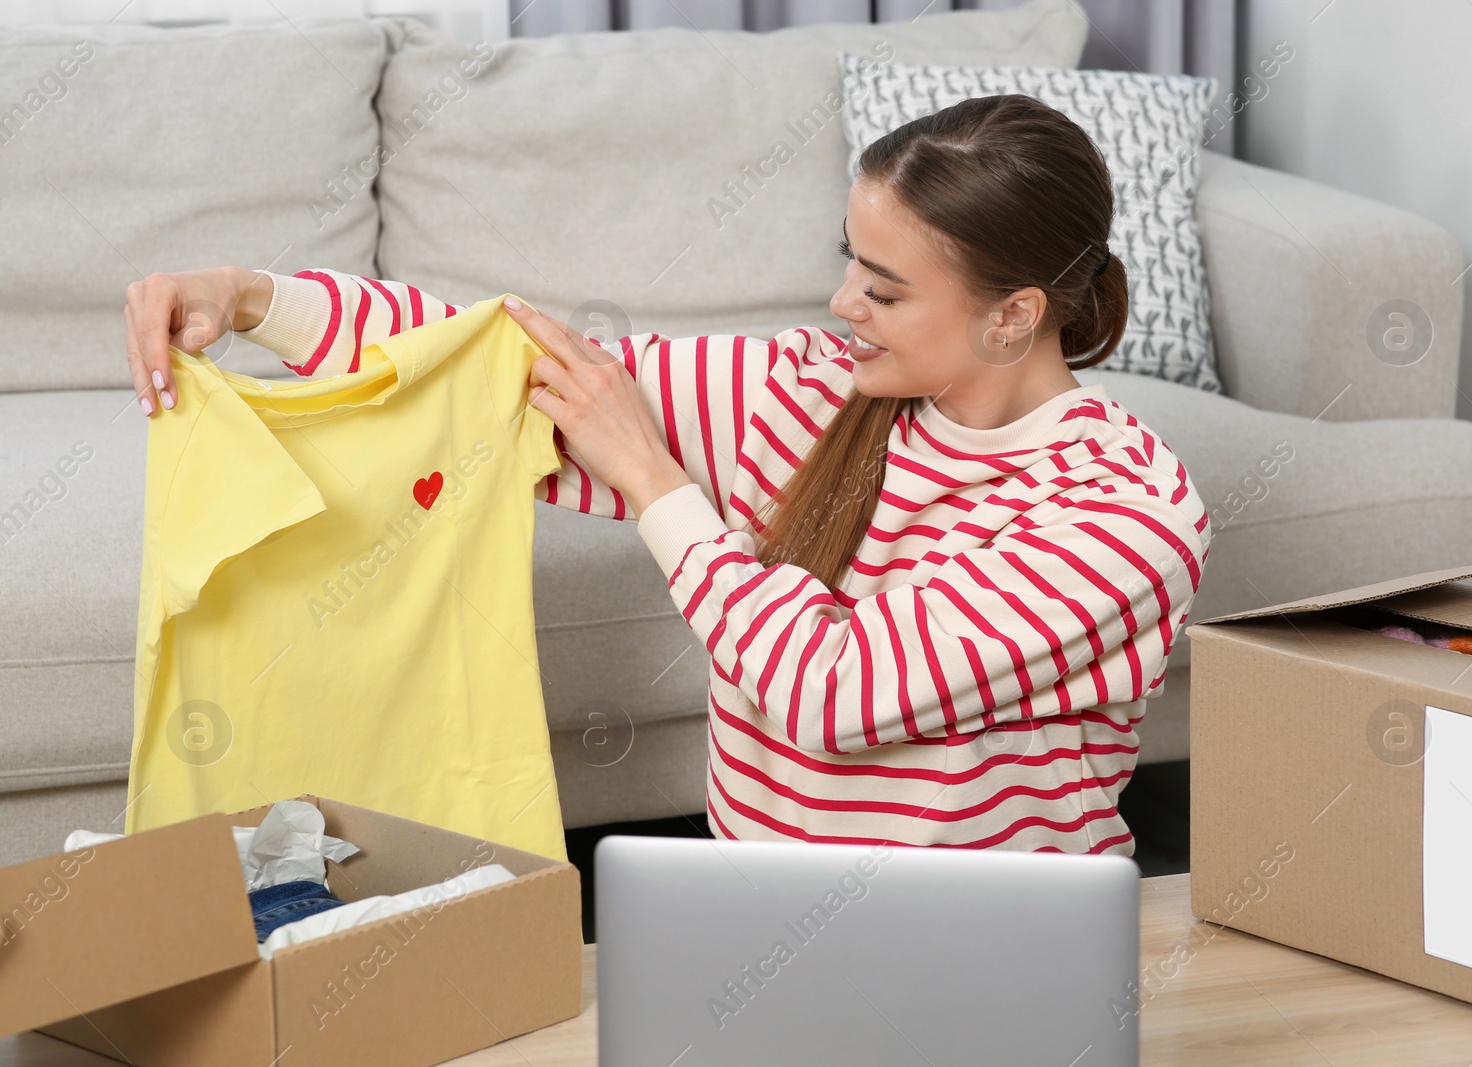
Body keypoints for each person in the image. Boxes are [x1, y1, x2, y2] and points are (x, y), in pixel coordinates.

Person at [124, 94, 1210, 855]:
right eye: (847, 260)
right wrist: (251, 294)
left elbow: (832, 691)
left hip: (991, 961)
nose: (841, 305)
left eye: (883, 290)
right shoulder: (809, 385)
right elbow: (501, 362)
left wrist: (652, 478)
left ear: (1013, 314)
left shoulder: (1123, 515)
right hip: (752, 928)